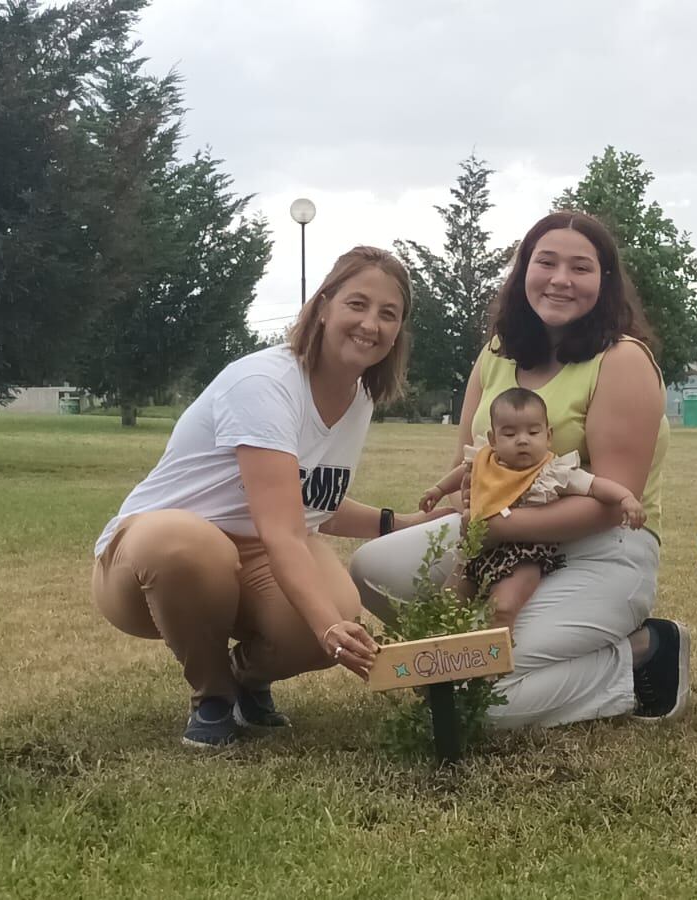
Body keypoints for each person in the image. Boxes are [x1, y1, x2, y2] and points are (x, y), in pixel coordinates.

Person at [90, 246, 448, 748]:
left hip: (257, 550)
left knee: (339, 607)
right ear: (323, 306)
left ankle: (245, 681)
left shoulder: (360, 397)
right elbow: (281, 529)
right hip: (147, 559)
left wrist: (400, 523)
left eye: (389, 314)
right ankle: (212, 697)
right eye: (357, 304)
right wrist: (328, 630)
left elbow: (307, 502)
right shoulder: (265, 382)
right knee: (190, 546)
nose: (371, 323)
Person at [351, 211, 689, 728]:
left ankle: (645, 651)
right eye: (546, 262)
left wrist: (494, 525)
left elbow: (612, 504)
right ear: (522, 270)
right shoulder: (496, 354)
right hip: (493, 535)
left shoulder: (622, 360)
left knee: (480, 705)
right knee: (371, 569)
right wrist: (465, 516)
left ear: (605, 282)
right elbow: (468, 465)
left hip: (603, 549)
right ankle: (468, 648)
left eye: (581, 268)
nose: (560, 279)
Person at [420, 386, 646, 630]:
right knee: (447, 604)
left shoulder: (552, 472)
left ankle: (497, 657)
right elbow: (463, 472)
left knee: (503, 607)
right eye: (509, 434)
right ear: (493, 439)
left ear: (548, 436)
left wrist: (625, 498)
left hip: (525, 554)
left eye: (533, 431)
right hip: (476, 550)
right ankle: (446, 654)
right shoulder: (484, 460)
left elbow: (594, 486)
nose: (523, 440)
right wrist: (438, 489)